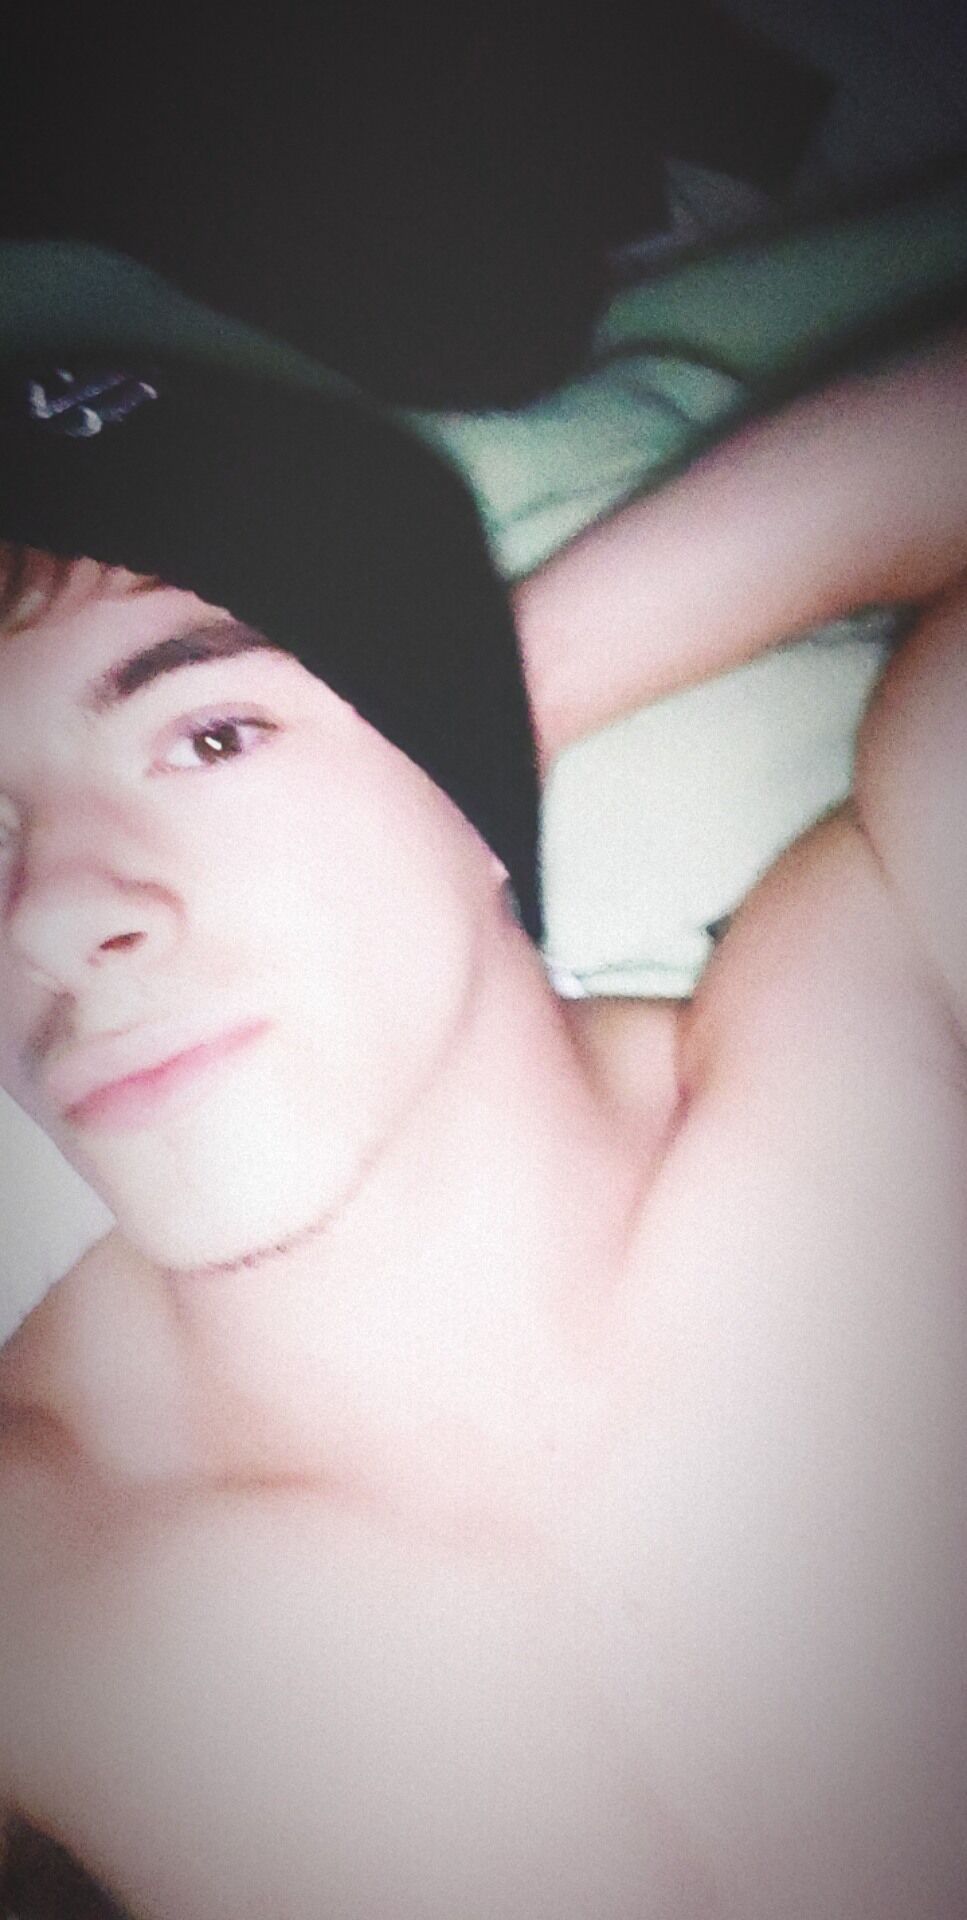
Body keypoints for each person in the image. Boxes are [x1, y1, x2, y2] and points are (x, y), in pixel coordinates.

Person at [0, 314, 965, 1919]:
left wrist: (470, 719)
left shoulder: (887, 1009)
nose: (48, 915)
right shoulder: (34, 1564)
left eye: (213, 733)